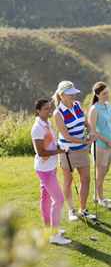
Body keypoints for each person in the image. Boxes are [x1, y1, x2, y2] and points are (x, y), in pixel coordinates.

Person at [52, 80, 96, 222]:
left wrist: (90, 131)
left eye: (73, 94)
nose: (73, 96)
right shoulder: (58, 113)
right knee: (68, 181)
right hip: (68, 152)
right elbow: (66, 135)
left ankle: (82, 209)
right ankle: (71, 210)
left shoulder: (77, 105)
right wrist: (85, 141)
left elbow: (85, 122)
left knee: (86, 179)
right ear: (62, 95)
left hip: (82, 150)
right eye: (70, 94)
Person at [31, 98, 71, 245]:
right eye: (46, 109)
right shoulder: (37, 128)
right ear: (38, 111)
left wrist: (60, 146)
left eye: (49, 108)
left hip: (50, 167)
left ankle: (49, 230)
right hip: (44, 169)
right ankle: (54, 236)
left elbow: (51, 143)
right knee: (59, 200)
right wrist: (59, 151)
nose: (49, 111)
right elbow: (41, 152)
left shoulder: (47, 124)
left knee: (46, 199)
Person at [88, 81, 111, 208]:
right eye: (104, 93)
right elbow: (93, 131)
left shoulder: (108, 106)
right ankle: (101, 199)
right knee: (100, 173)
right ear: (97, 94)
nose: (107, 95)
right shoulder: (94, 109)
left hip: (110, 144)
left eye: (108, 93)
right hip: (100, 145)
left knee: (106, 169)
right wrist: (107, 141)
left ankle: (97, 195)